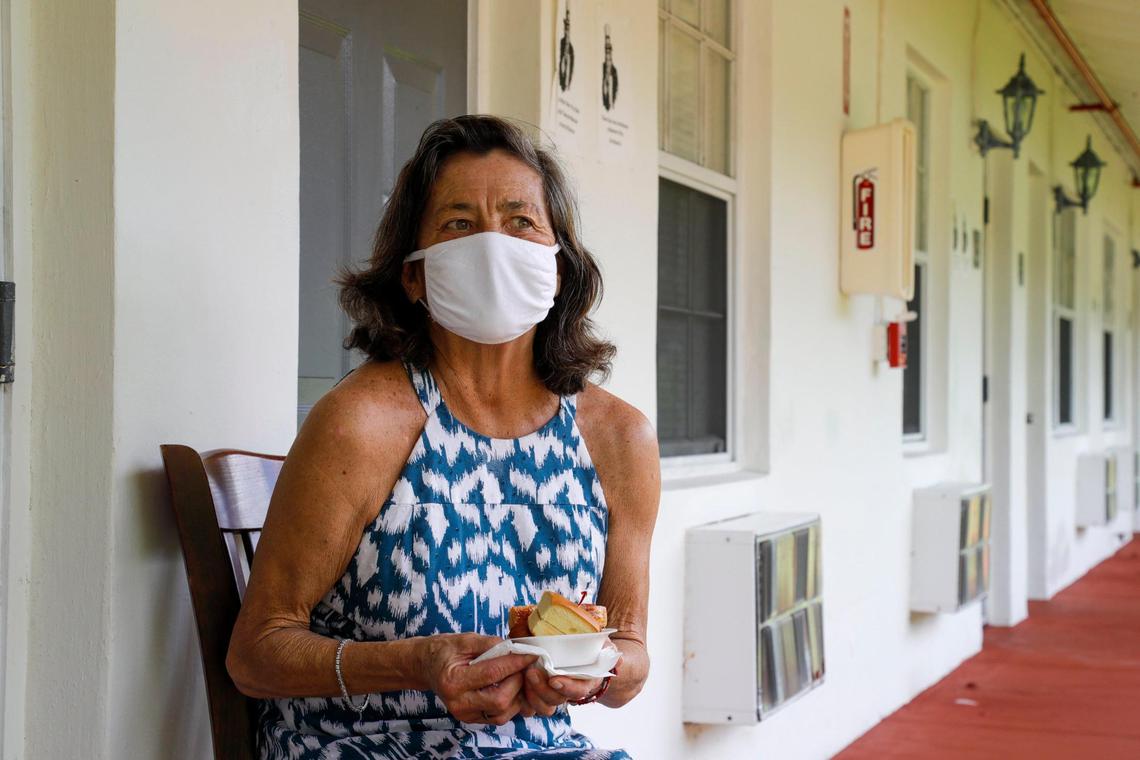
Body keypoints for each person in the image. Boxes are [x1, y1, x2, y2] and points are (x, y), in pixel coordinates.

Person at [227, 114, 661, 759]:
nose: (493, 245)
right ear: (413, 274)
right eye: (458, 224)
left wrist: (599, 672)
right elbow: (257, 654)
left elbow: (630, 654)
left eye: (521, 221)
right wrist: (418, 664)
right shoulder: (362, 421)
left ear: (559, 266)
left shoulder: (619, 439)